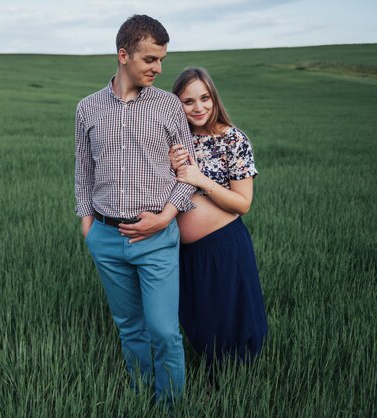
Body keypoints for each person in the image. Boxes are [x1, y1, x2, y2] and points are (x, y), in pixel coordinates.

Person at [75, 15, 197, 405]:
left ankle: (171, 405)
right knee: (129, 327)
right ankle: (141, 396)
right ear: (123, 55)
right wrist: (88, 225)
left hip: (158, 237)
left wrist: (165, 217)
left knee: (163, 330)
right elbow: (83, 170)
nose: (158, 68)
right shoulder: (87, 108)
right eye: (150, 59)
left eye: (162, 59)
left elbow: (189, 172)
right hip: (107, 238)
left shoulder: (169, 106)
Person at [168, 67, 268, 370]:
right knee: (199, 318)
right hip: (185, 250)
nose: (199, 107)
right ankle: (210, 375)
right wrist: (168, 167)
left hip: (224, 246)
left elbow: (243, 203)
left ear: (214, 98)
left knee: (230, 316)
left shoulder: (233, 139)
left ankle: (236, 384)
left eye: (204, 98)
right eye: (188, 101)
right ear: (176, 105)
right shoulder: (173, 140)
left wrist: (201, 179)